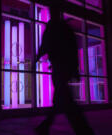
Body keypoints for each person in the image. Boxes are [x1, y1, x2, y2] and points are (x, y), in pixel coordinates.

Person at [35, 1, 95, 135]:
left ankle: (82, 129)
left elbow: (45, 44)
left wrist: (37, 57)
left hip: (59, 67)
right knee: (61, 98)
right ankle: (47, 125)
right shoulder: (64, 27)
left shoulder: (53, 26)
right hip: (63, 67)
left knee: (65, 99)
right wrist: (74, 67)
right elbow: (72, 48)